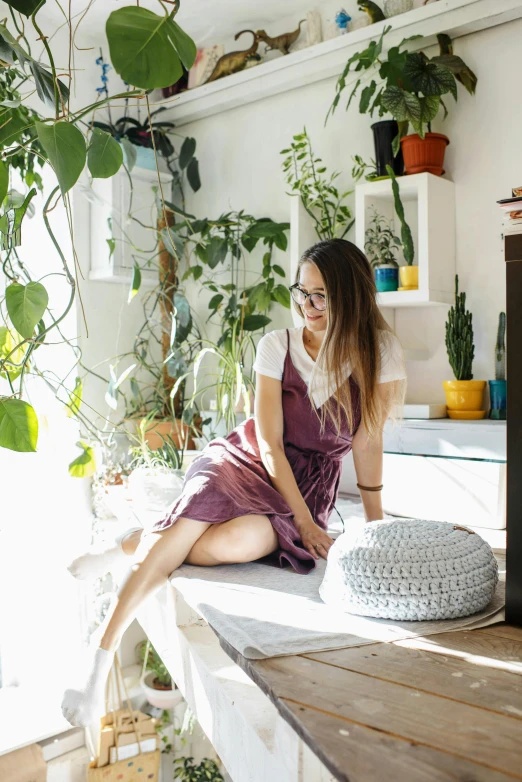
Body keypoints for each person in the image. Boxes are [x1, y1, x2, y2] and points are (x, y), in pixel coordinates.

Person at [61, 238, 406, 727]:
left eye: (320, 296)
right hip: (246, 460)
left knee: (241, 542)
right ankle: (97, 665)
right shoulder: (277, 347)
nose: (306, 306)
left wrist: (376, 527)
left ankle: (138, 539)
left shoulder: (379, 351)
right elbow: (268, 442)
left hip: (308, 485)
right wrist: (305, 524)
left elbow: (368, 443)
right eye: (301, 293)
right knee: (186, 530)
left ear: (350, 296)